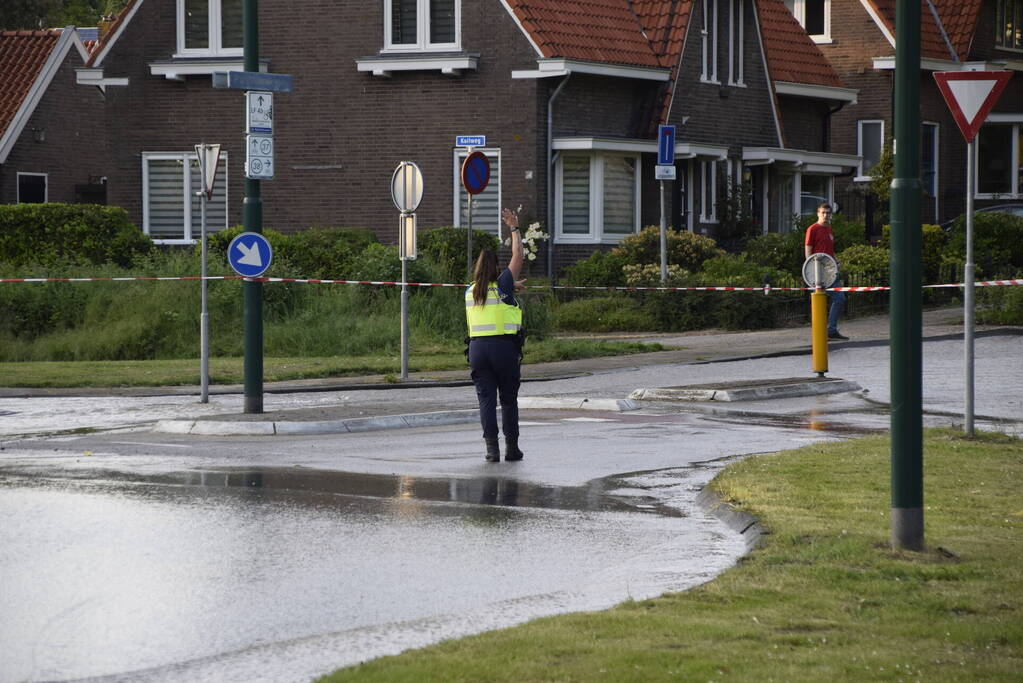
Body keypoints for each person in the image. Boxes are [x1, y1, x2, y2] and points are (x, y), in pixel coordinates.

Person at [465, 208, 527, 462]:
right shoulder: (502, 284)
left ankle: (492, 450)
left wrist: (512, 286)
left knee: (486, 402)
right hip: (503, 349)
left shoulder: (470, 291)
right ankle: (512, 449)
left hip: (477, 351)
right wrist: (514, 227)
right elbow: (518, 254)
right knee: (509, 400)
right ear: (497, 269)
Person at [804, 202, 848, 340]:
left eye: (828, 213)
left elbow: (829, 249)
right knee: (819, 301)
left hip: (830, 270)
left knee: (840, 299)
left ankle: (830, 330)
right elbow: (808, 250)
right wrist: (811, 270)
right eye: (823, 212)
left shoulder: (829, 228)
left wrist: (836, 261)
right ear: (818, 213)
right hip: (818, 271)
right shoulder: (813, 229)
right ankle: (821, 332)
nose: (825, 215)